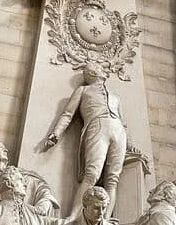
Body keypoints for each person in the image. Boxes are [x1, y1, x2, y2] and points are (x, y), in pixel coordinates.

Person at [45, 62, 127, 213]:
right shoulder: (83, 90)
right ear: (92, 73)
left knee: (113, 178)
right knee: (92, 174)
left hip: (119, 131)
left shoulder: (115, 96)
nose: (104, 70)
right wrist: (56, 133)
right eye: (100, 68)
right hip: (97, 126)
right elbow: (68, 114)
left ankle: (105, 221)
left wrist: (131, 144)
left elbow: (123, 122)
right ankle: (73, 217)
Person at [0, 139, 59, 216]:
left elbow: (42, 188)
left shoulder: (18, 174)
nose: (6, 150)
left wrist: (43, 204)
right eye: (0, 148)